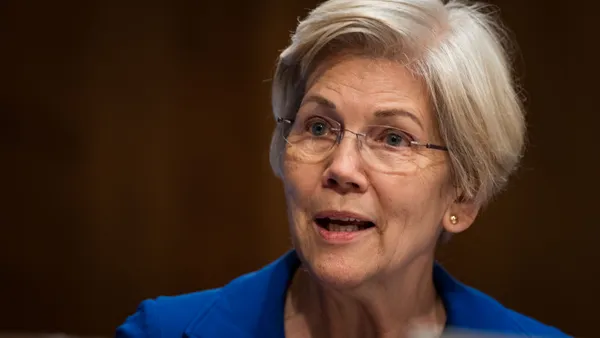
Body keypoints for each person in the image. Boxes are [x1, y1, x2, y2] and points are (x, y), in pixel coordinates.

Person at [116, 0, 570, 337]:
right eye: (318, 127)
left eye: (394, 138)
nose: (341, 167)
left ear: (464, 195)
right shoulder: (161, 331)